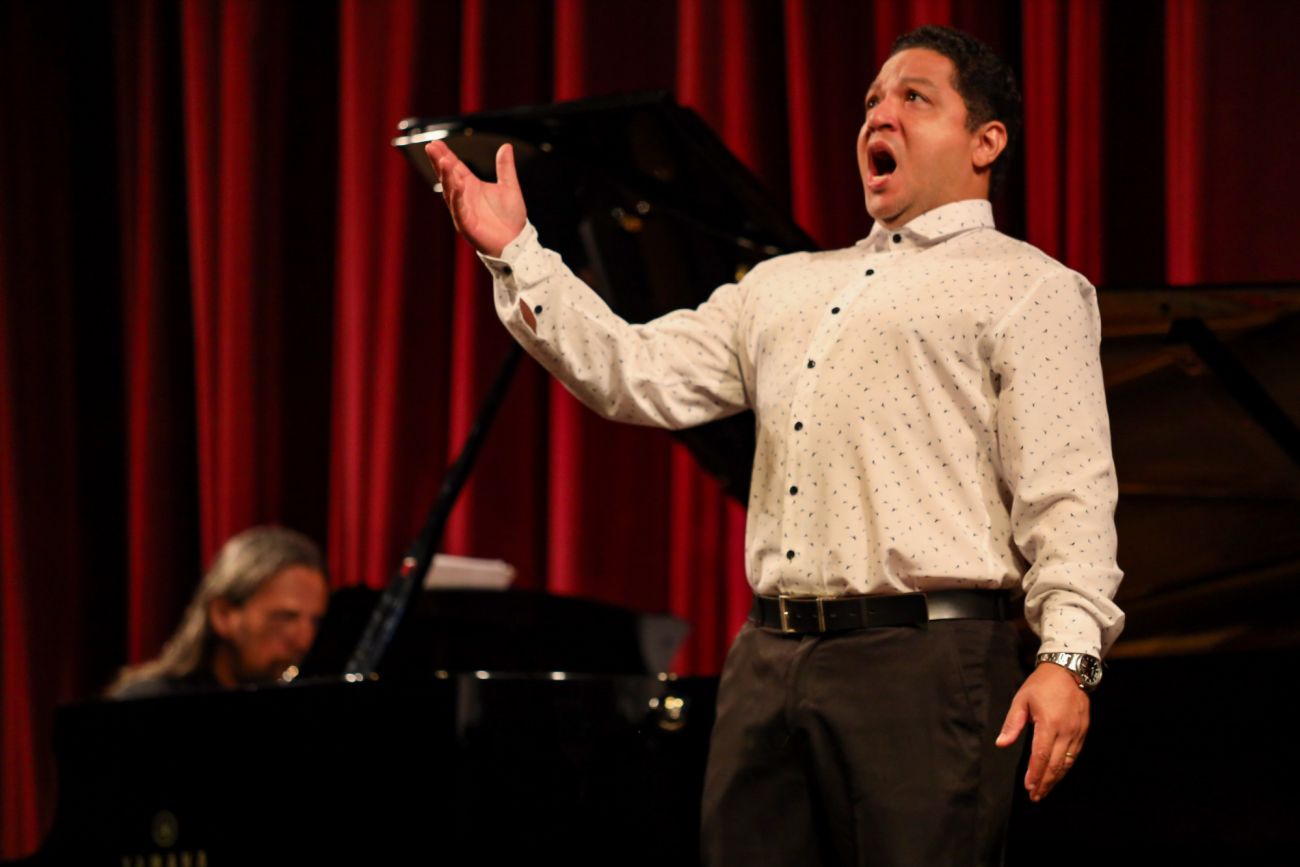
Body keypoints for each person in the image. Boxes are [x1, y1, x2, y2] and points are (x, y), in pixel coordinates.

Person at [426, 23, 1123, 866]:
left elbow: (1069, 492)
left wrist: (1068, 659)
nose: (880, 116)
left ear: (986, 141)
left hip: (926, 665)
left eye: (914, 98)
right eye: (872, 101)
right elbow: (633, 370)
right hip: (769, 659)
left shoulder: (1031, 288)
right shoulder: (783, 285)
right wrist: (518, 255)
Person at [108, 525, 330, 699]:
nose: (304, 642)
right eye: (285, 618)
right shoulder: (149, 701)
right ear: (223, 614)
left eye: (314, 622)